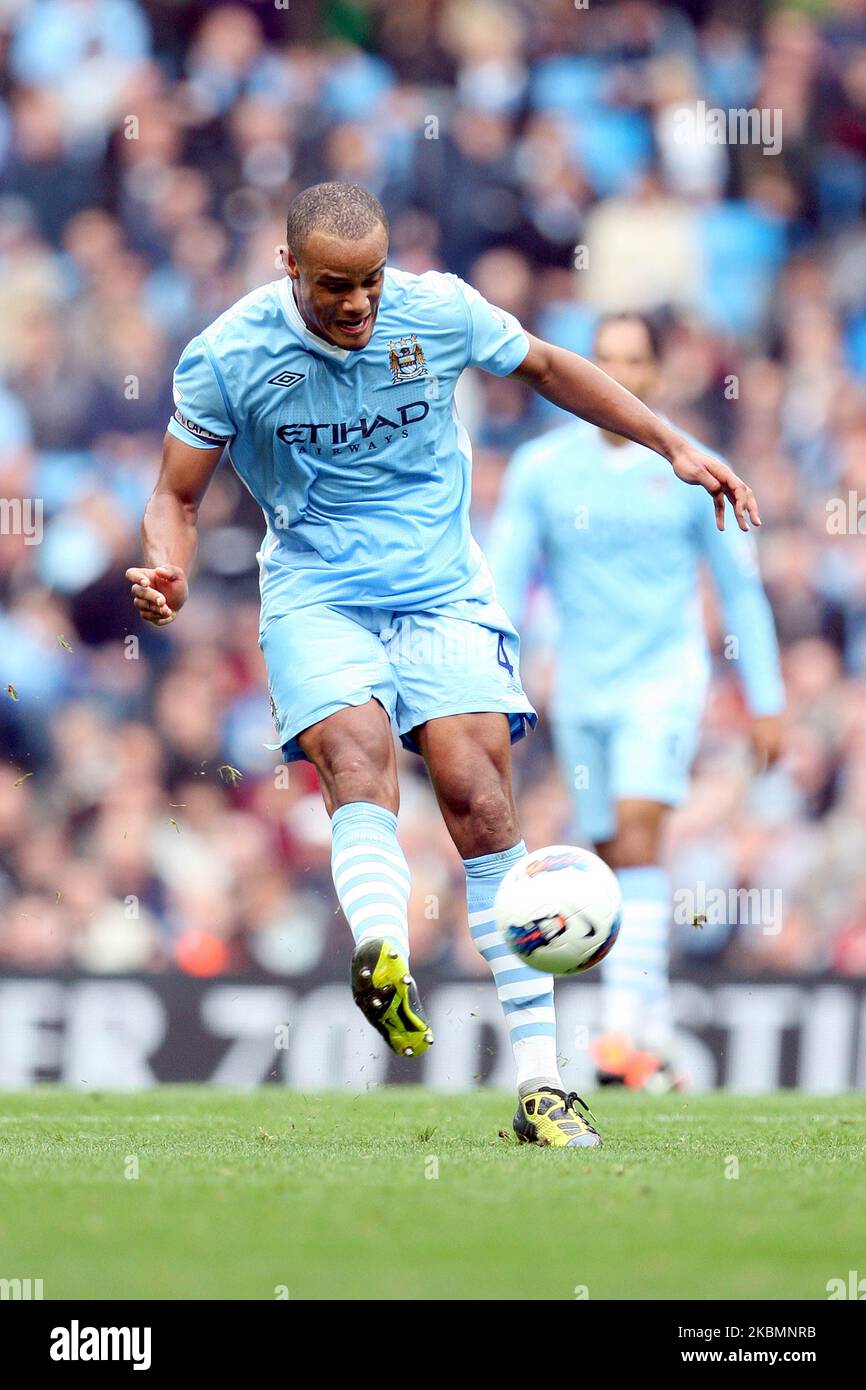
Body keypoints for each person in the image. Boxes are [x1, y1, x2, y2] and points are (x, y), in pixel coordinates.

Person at [127, 183, 760, 1147]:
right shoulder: (228, 356)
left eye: (372, 281)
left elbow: (547, 365)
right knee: (357, 758)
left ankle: (542, 1085)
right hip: (318, 593)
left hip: (441, 591)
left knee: (479, 796)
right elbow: (176, 492)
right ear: (288, 267)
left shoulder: (440, 309)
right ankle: (383, 947)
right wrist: (168, 568)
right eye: (335, 285)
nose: (358, 304)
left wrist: (671, 441)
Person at [488, 312, 784, 1092]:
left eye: (633, 360)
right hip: (582, 683)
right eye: (604, 359)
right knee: (612, 856)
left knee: (643, 828)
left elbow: (741, 590)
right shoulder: (543, 469)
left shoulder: (691, 466)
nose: (619, 372)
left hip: (665, 675)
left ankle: (618, 1042)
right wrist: (489, 673)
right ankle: (646, 1032)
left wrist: (767, 696)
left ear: (657, 373)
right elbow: (505, 580)